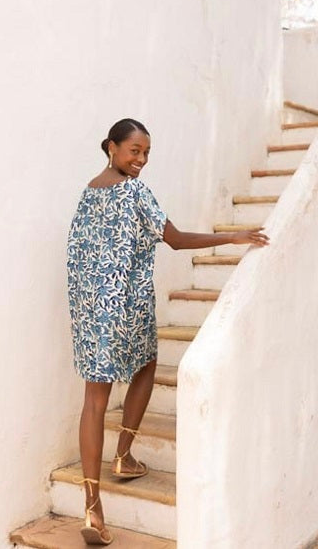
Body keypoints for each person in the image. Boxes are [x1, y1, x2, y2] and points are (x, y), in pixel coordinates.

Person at [67, 118, 269, 545]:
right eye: (133, 151)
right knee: (146, 364)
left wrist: (88, 302)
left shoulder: (88, 193)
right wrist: (230, 238)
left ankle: (92, 508)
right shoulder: (135, 191)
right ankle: (122, 455)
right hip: (127, 302)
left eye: (145, 154)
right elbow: (173, 239)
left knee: (94, 400)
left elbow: (77, 250)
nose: (140, 160)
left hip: (90, 307)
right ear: (111, 147)